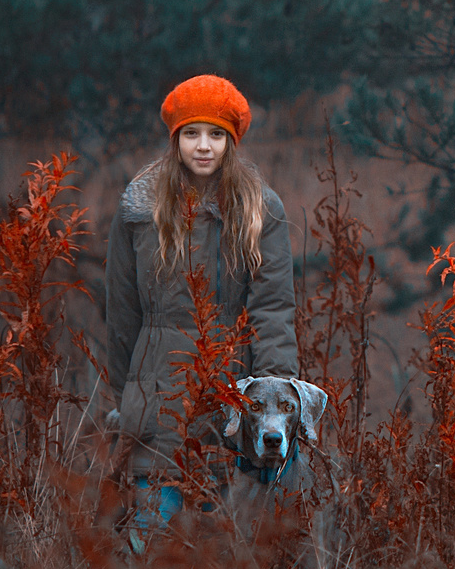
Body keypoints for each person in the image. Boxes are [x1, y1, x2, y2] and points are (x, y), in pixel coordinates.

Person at [80, 73, 297, 539]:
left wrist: (275, 397)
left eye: (217, 134)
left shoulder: (261, 209)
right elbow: (121, 311)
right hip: (154, 391)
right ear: (175, 138)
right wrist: (128, 395)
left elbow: (273, 309)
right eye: (192, 133)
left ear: (231, 141)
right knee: (152, 533)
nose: (204, 146)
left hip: (230, 393)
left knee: (220, 537)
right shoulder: (140, 209)